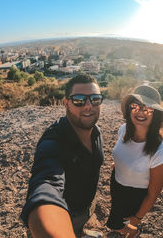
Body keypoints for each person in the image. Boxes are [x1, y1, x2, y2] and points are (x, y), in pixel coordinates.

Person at [21, 74, 104, 238]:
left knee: (79, 227)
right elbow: (46, 185)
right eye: (79, 100)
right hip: (65, 213)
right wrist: (42, 205)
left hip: (85, 206)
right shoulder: (54, 141)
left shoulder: (96, 132)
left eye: (95, 99)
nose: (88, 106)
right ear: (66, 103)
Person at [106, 85, 163, 237]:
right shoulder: (124, 130)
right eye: (135, 106)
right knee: (115, 213)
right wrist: (119, 166)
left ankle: (133, 232)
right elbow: (125, 152)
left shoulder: (161, 154)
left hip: (133, 195)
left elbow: (152, 195)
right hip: (116, 183)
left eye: (148, 109)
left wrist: (136, 219)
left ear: (155, 114)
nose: (140, 112)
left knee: (115, 224)